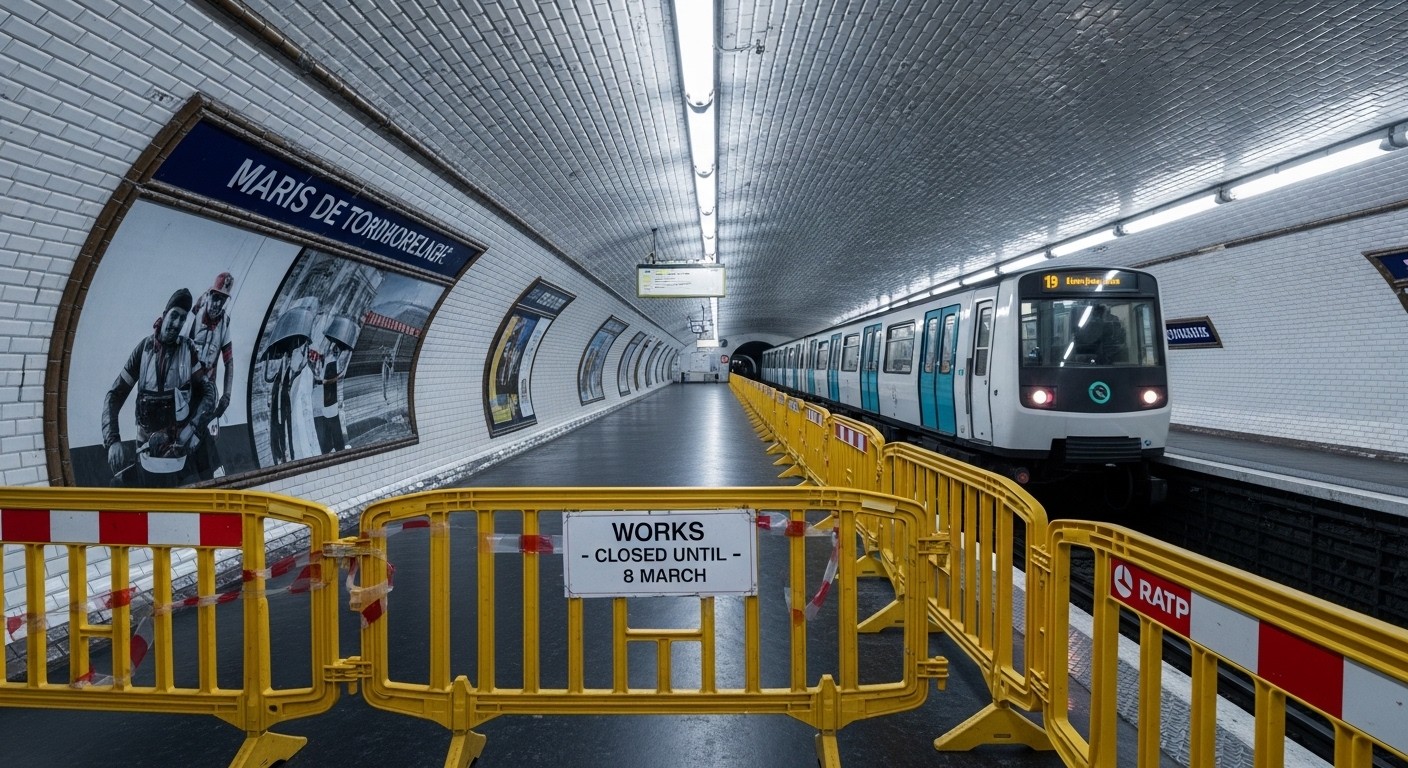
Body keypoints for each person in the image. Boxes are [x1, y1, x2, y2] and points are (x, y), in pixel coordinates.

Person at [102, 288, 215, 487]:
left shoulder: (189, 350)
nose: (177, 323)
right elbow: (114, 395)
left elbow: (208, 393)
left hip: (181, 449)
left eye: (183, 318)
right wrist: (113, 441)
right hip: (148, 453)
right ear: (164, 315)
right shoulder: (143, 351)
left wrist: (193, 429)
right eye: (174, 316)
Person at [186, 271, 235, 479]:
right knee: (191, 433)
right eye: (215, 298)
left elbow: (229, 361)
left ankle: (210, 476)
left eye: (222, 301)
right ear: (209, 295)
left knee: (207, 433)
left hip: (208, 392)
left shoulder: (224, 322)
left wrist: (227, 394)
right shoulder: (194, 316)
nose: (217, 305)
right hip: (187, 387)